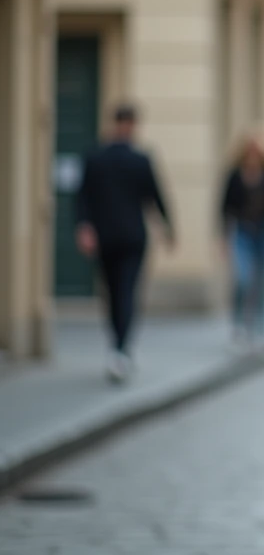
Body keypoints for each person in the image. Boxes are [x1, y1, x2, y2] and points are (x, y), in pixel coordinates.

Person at [75, 103, 175, 384]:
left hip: (110, 236)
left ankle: (118, 347)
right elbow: (156, 196)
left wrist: (84, 226)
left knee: (114, 292)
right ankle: (121, 348)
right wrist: (168, 228)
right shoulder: (137, 159)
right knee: (125, 292)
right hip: (130, 236)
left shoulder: (96, 156)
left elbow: (82, 198)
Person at [219, 124, 264, 350]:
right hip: (242, 231)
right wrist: (223, 239)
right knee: (243, 279)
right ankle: (239, 323)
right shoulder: (235, 175)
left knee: (263, 282)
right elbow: (224, 208)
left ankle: (260, 328)